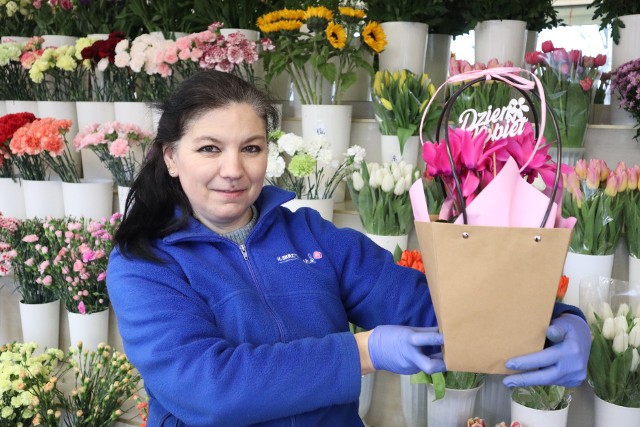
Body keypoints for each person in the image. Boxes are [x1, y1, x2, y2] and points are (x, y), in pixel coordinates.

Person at [107, 70, 591, 427]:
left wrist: (559, 322)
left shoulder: (312, 237)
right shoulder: (145, 264)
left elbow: (435, 307)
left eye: (251, 148)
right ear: (170, 157)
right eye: (209, 148)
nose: (233, 169)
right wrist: (363, 352)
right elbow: (208, 389)